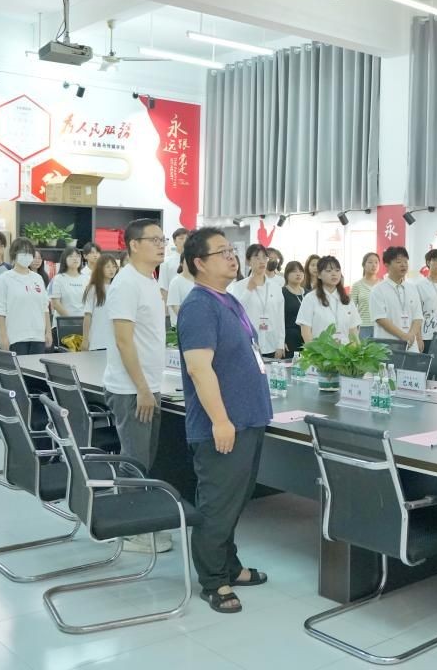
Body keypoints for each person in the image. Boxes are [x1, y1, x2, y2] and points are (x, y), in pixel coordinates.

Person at [178, 226, 273, 614]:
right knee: (217, 505)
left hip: (247, 418)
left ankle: (230, 566)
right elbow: (199, 368)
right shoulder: (199, 306)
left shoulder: (228, 299)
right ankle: (214, 581)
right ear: (199, 263)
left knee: (235, 501)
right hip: (223, 424)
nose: (232, 257)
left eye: (232, 250)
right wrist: (220, 420)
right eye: (222, 252)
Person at [103, 219, 172, 553]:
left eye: (163, 239)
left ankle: (139, 520)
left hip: (148, 385)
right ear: (133, 245)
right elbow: (123, 341)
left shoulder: (149, 279)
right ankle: (130, 530)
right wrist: (143, 388)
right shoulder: (126, 283)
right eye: (154, 240)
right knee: (134, 460)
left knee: (145, 457)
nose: (161, 245)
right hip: (132, 389)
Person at [0, 237, 51, 354]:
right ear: (14, 254)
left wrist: (48, 331)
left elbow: (45, 307)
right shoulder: (5, 278)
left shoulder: (37, 278)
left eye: (29, 253)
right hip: (16, 337)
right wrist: (3, 336)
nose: (27, 256)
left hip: (38, 336)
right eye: (23, 252)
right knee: (19, 366)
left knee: (36, 366)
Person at [227, 245, 286, 358]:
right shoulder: (239, 286)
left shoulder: (276, 287)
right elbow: (236, 313)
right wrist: (248, 291)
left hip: (272, 344)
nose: (262, 261)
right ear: (248, 261)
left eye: (264, 257)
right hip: (248, 345)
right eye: (257, 257)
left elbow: (280, 317)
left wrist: (280, 343)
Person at [369, 246, 424, 352]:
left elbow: (418, 316)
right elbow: (380, 319)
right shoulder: (378, 290)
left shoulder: (412, 288)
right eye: (399, 262)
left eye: (406, 261)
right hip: (388, 345)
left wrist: (411, 336)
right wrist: (403, 336)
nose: (403, 265)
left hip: (411, 345)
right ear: (387, 265)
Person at [297, 256, 361, 343]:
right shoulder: (310, 298)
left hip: (346, 350)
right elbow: (306, 332)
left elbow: (353, 331)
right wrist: (314, 350)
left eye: (337, 270)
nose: (334, 274)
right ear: (319, 275)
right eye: (328, 271)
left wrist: (356, 349)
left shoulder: (347, 300)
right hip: (321, 350)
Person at [82, 254, 120, 352]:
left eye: (114, 266)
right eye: (108, 266)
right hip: (97, 341)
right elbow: (87, 315)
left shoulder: (118, 288)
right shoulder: (93, 289)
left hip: (114, 342)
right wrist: (85, 339)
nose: (112, 269)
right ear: (100, 268)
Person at [50, 247, 88, 323]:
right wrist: (71, 320)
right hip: (63, 323)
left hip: (83, 322)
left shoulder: (87, 278)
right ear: (64, 259)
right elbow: (56, 303)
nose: (75, 259)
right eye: (71, 256)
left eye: (77, 256)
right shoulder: (58, 278)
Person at [349, 252, 379, 332]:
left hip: (381, 327)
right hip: (364, 327)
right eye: (370, 262)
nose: (374, 265)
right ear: (363, 265)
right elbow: (351, 309)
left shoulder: (383, 285)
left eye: (376, 262)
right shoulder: (357, 285)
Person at [280, 261, 305, 355]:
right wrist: (281, 341)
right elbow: (277, 319)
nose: (298, 274)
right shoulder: (281, 293)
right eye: (294, 271)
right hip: (289, 338)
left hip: (307, 338)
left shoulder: (308, 294)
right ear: (287, 274)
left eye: (301, 271)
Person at [158, 227, 191, 298]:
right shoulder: (166, 262)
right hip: (173, 301)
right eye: (181, 238)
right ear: (174, 241)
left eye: (187, 238)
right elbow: (163, 287)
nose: (185, 241)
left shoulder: (195, 261)